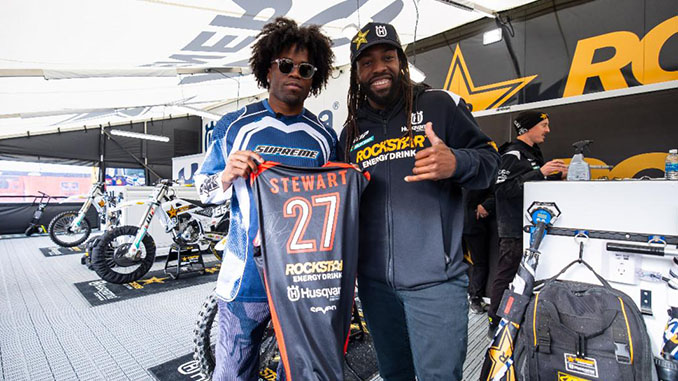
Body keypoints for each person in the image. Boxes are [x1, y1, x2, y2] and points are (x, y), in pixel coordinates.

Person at [338, 22, 500, 381]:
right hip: (375, 286)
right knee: (395, 375)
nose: (379, 67)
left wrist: (456, 162)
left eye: (388, 57)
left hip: (436, 283)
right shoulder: (350, 132)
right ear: (356, 73)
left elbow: (491, 162)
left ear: (401, 62)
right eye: (367, 62)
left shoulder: (438, 105)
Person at [195, 17, 336, 381]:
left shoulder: (324, 137)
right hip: (245, 280)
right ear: (268, 68)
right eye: (286, 65)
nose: (295, 74)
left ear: (313, 78)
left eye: (305, 69)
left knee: (303, 373)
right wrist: (225, 175)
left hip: (304, 280)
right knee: (232, 373)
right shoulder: (235, 126)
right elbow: (202, 192)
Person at [488, 111, 567, 336]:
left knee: (525, 276)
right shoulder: (513, 153)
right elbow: (502, 189)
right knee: (507, 274)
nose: (548, 130)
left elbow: (530, 186)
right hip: (513, 228)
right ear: (527, 128)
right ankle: (494, 321)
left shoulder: (532, 153)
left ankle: (515, 317)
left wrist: (554, 177)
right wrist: (540, 173)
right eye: (544, 125)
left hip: (530, 227)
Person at [462, 186, 496, 314]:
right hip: (454, 224)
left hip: (474, 223)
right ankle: (466, 296)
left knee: (479, 262)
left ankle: (475, 297)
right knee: (454, 261)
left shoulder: (484, 171)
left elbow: (497, 191)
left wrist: (486, 205)